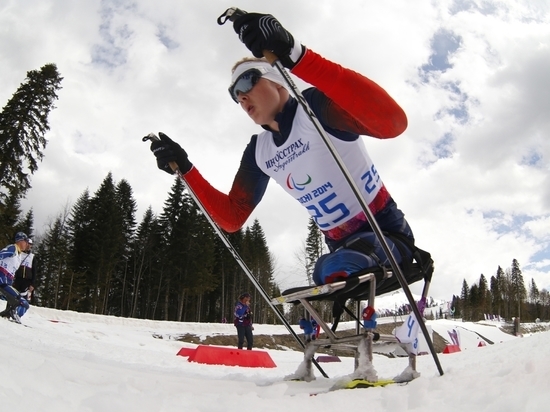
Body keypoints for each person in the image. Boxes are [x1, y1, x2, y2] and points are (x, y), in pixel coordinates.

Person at [150, 11, 416, 288]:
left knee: (336, 266)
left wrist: (297, 55)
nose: (241, 96)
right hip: (342, 248)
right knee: (328, 269)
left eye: (247, 82)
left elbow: (392, 123)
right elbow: (232, 218)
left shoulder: (314, 108)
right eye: (234, 95)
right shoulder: (259, 151)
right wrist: (186, 169)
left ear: (277, 81)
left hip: (386, 233)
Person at [0, 232, 31, 323]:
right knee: (22, 302)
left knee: (22, 301)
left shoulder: (19, 254)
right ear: (20, 241)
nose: (27, 244)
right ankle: (12, 313)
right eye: (25, 241)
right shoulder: (13, 248)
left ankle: (8, 314)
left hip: (7, 281)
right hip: (2, 280)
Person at [13, 237, 38, 303]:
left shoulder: (32, 256)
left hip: (27, 280)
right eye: (28, 244)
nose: (29, 246)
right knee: (13, 295)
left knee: (24, 297)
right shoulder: (19, 253)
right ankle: (9, 310)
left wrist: (33, 283)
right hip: (18, 278)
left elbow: (34, 271)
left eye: (30, 244)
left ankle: (20, 311)